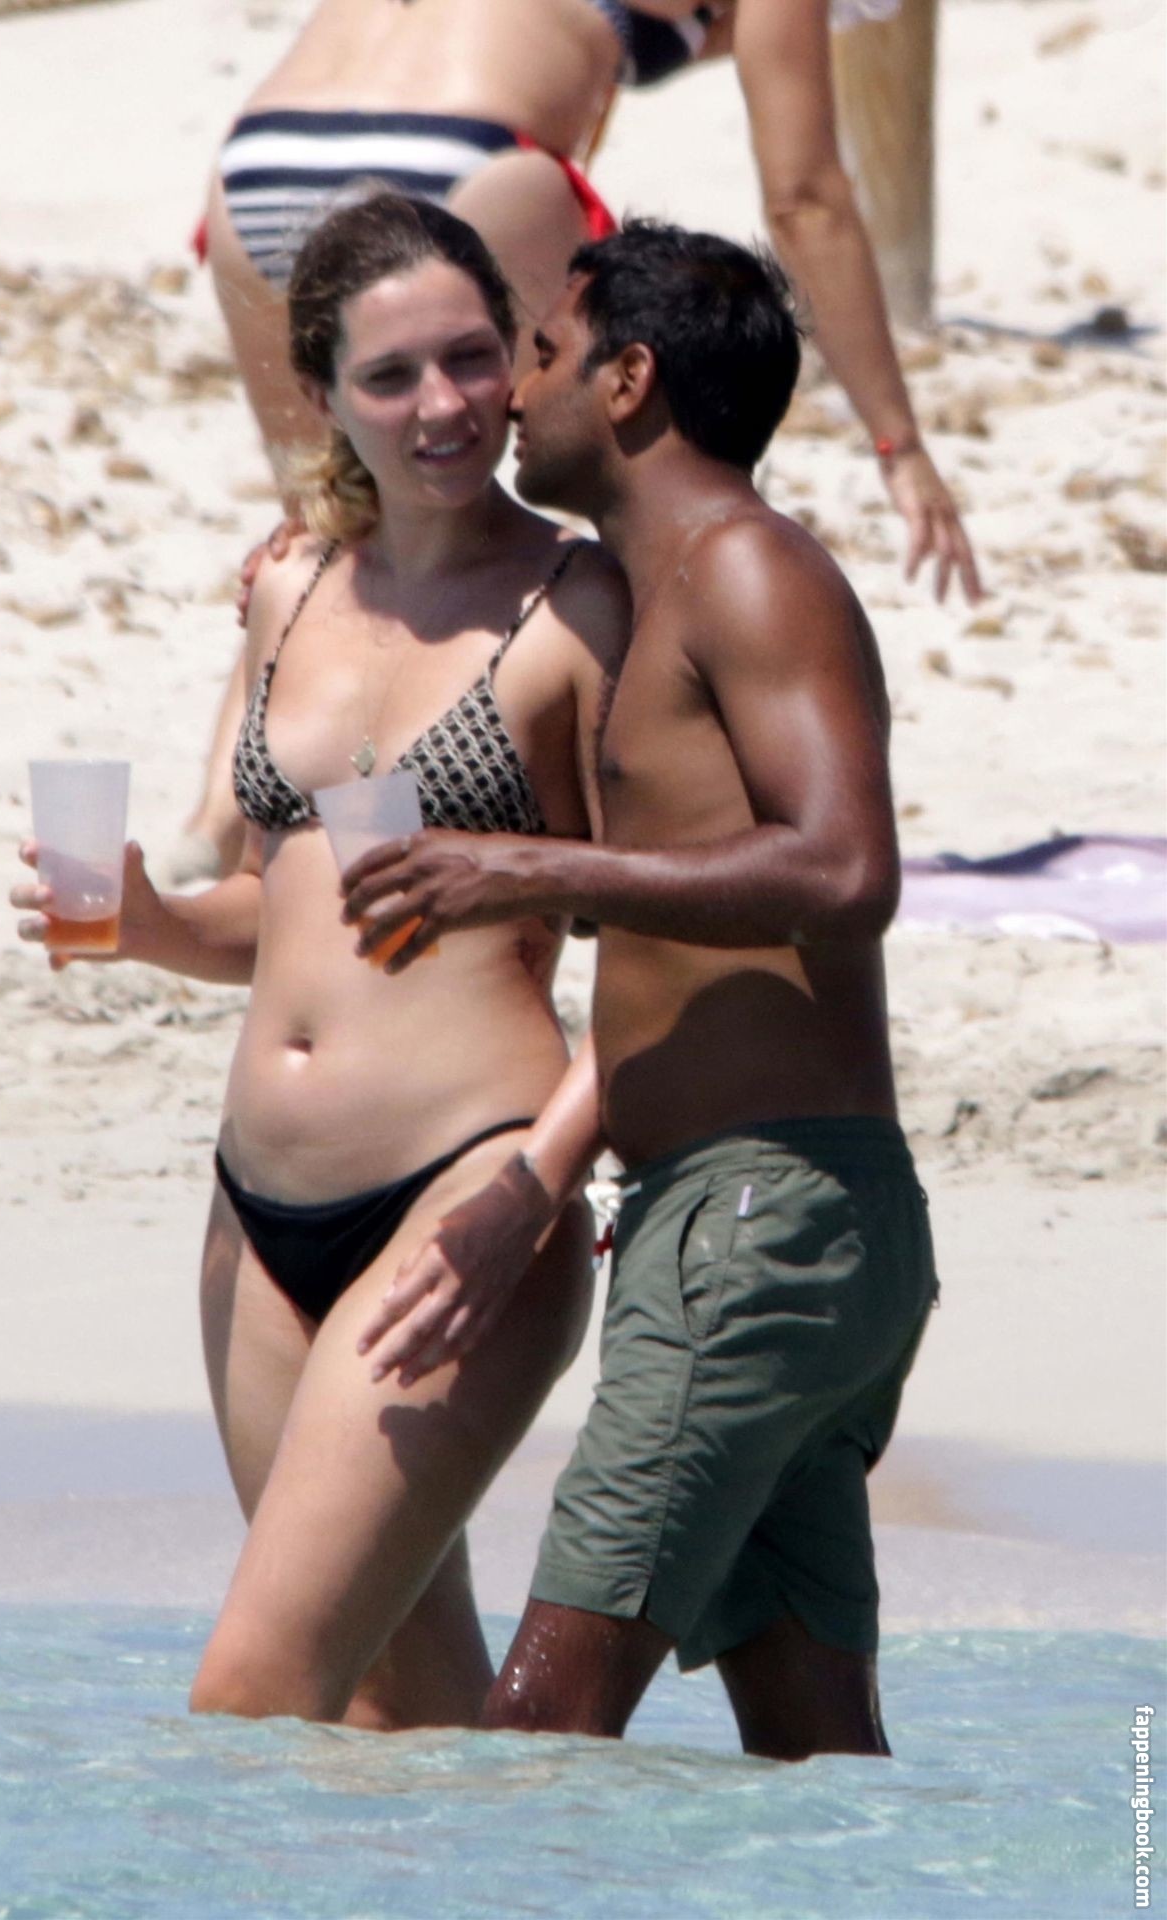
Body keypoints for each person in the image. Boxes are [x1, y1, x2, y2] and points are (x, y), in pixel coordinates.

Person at [13, 192, 629, 1727]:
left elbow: (663, 951)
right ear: (321, 394)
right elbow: (276, 912)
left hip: (461, 1199)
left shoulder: (575, 606)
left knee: (251, 1693)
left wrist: (536, 1191)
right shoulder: (288, 592)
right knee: (382, 1731)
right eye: (390, 375)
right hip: (255, 1216)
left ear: (516, 354)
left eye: (470, 358)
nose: (442, 406)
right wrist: (150, 925)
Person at [341, 218, 941, 1757]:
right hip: (746, 1221)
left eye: (540, 353)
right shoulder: (655, 582)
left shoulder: (747, 570)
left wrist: (532, 869)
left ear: (628, 381)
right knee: (817, 1768)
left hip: (758, 1224)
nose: (511, 389)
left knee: (537, 1740)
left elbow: (844, 871)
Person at [177, 0, 979, 877]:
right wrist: (899, 445)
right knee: (612, 446)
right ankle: (635, 804)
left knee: (332, 530)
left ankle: (220, 830)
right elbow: (806, 202)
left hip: (261, 154)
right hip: (468, 150)